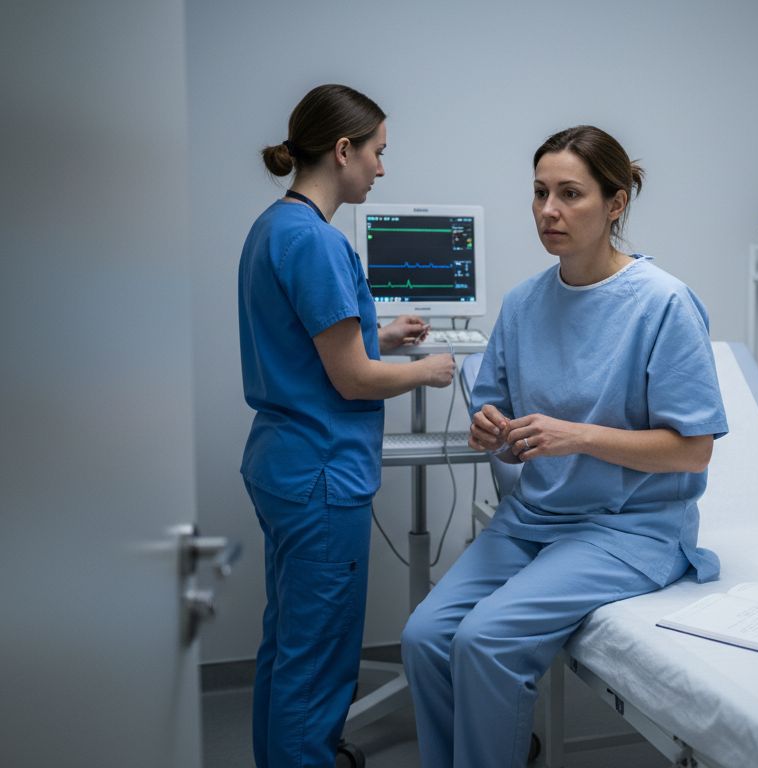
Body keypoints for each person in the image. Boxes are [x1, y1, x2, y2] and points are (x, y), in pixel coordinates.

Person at [401, 125, 728, 767]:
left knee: (486, 640)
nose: (548, 211)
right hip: (532, 522)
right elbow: (492, 415)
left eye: (570, 194)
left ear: (615, 204)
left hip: (628, 531)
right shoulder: (523, 305)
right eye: (540, 193)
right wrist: (490, 433)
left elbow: (693, 450)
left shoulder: (663, 305)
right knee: (425, 637)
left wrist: (575, 436)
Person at [238, 83, 456, 768]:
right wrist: (428, 369)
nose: (382, 168)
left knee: (288, 641)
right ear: (342, 151)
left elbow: (311, 346)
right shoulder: (318, 244)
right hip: (322, 474)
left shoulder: (273, 227)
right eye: (377, 152)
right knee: (320, 655)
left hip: (283, 463)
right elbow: (350, 378)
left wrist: (379, 335)